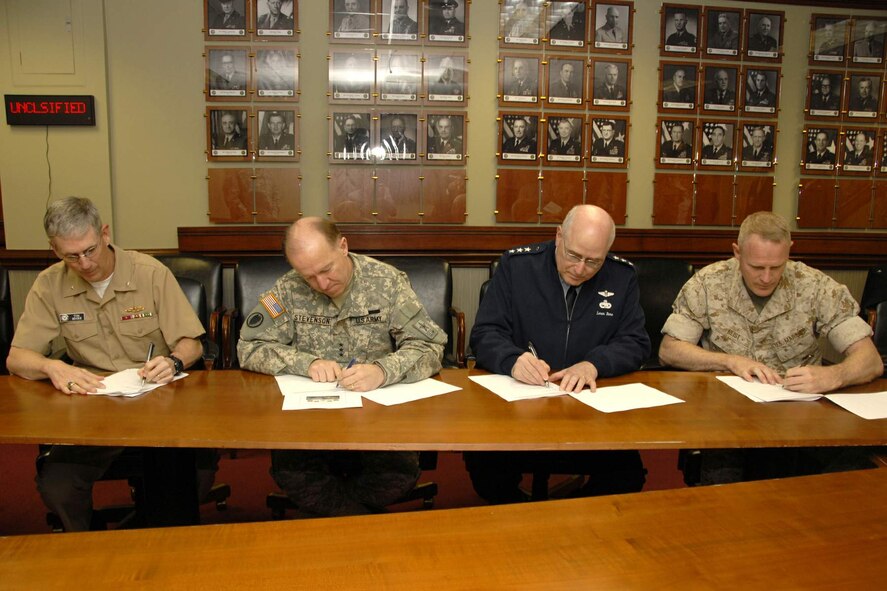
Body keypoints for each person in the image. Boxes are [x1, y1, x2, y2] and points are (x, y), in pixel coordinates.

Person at [7, 197, 205, 532]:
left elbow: (192, 343)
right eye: (71, 255)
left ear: (105, 234)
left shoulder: (150, 274)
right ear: (54, 249)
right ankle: (88, 547)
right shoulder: (49, 285)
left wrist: (172, 361)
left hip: (158, 405)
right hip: (92, 410)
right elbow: (17, 357)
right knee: (58, 485)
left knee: (186, 483)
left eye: (90, 250)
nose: (84, 264)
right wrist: (52, 367)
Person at [237, 218, 446, 517]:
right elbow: (248, 347)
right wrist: (305, 362)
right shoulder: (286, 289)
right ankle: (359, 525)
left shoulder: (386, 282)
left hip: (378, 422)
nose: (321, 284)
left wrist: (383, 370)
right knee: (294, 474)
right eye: (308, 276)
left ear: (343, 246)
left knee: (396, 475)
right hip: (308, 424)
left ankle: (337, 523)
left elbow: (429, 347)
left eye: (326, 270)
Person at [659, 212, 883, 484]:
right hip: (726, 418)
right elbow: (670, 350)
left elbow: (870, 360)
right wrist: (729, 361)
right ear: (737, 252)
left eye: (776, 267)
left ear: (789, 251)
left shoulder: (816, 286)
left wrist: (833, 375)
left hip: (799, 416)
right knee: (722, 496)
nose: (766, 277)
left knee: (843, 479)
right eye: (756, 267)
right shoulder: (707, 283)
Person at [465, 205, 649, 504]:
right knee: (485, 468)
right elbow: (485, 333)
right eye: (574, 256)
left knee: (627, 475)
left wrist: (594, 364)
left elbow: (635, 342)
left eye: (593, 262)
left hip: (590, 412)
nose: (580, 269)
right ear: (559, 236)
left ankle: (570, 520)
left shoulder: (621, 276)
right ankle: (525, 520)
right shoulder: (517, 266)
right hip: (518, 410)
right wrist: (513, 360)